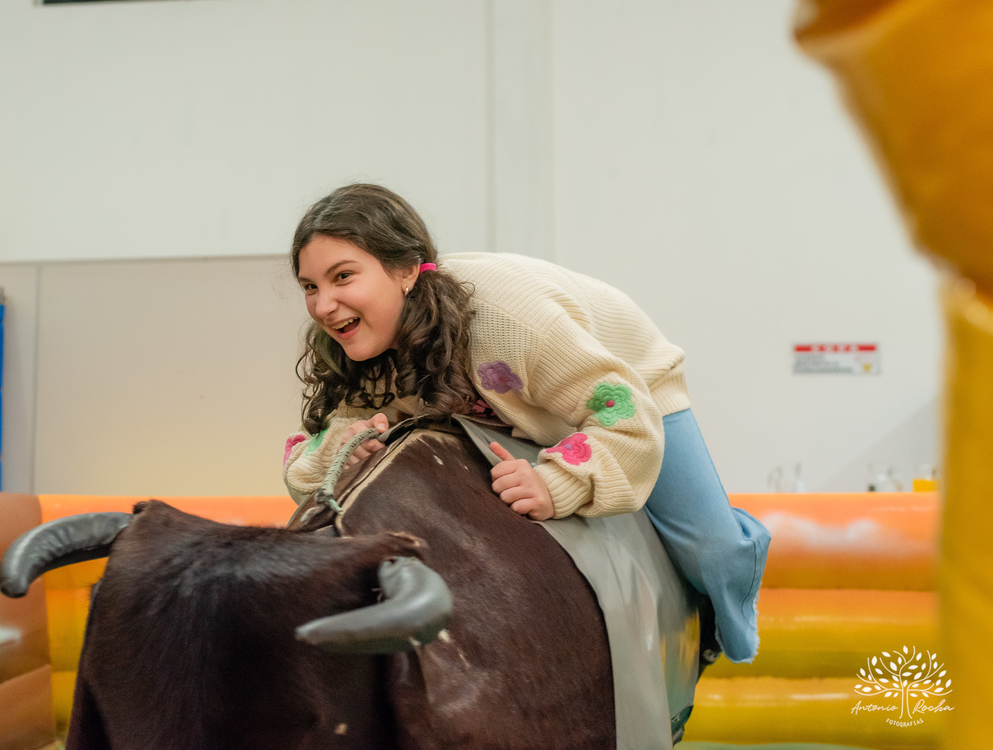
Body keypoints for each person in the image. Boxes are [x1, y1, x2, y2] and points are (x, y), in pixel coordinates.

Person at [281, 183, 770, 664]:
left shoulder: (508, 325)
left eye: (343, 277)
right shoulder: (362, 342)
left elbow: (627, 417)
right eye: (310, 286)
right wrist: (341, 450)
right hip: (510, 404)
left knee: (711, 550)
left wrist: (556, 482)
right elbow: (304, 465)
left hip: (622, 389)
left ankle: (737, 551)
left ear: (406, 270)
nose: (323, 306)